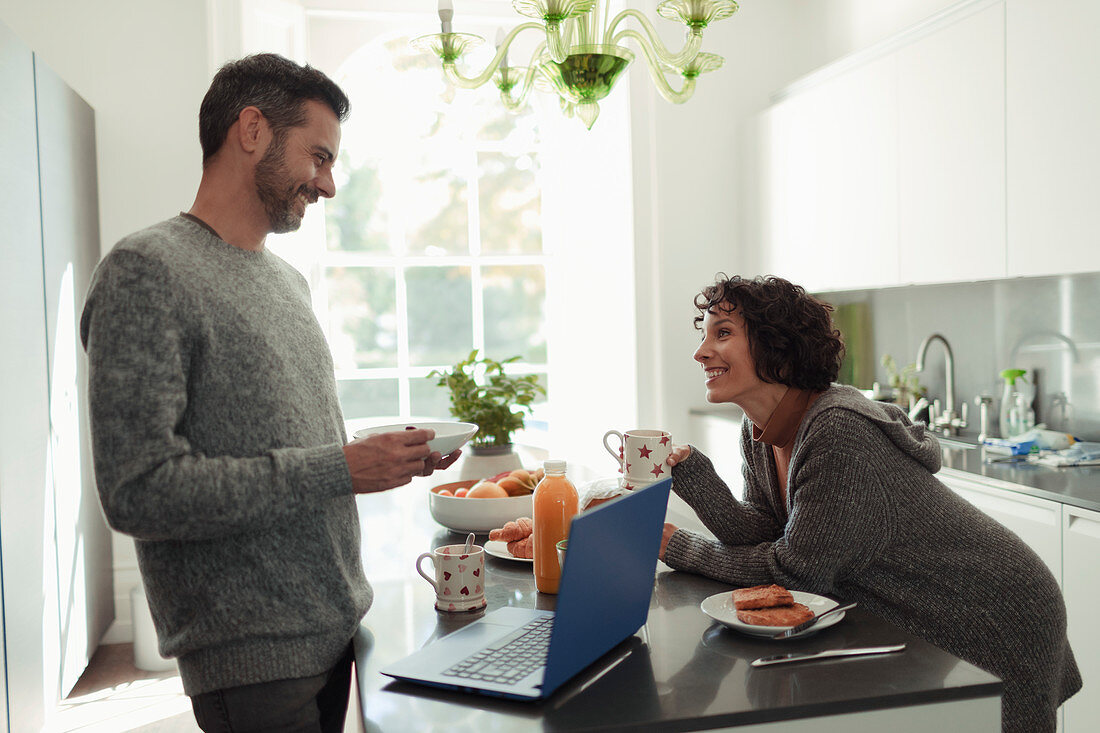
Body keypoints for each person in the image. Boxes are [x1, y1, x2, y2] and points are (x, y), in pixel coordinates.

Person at [80, 53, 458, 732]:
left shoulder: (288, 283)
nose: (330, 184)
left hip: (336, 630)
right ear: (251, 130)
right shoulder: (146, 271)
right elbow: (138, 488)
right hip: (251, 658)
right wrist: (340, 466)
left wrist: (387, 456)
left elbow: (287, 447)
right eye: (319, 156)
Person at [661, 274, 1080, 733]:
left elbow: (794, 574)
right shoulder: (759, 430)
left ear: (775, 346)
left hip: (994, 614)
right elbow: (765, 530)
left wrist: (681, 547)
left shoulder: (838, 430)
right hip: (932, 610)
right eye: (704, 334)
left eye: (722, 333)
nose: (700, 352)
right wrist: (694, 476)